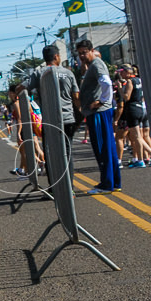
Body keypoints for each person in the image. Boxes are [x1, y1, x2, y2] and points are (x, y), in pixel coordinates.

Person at [17, 45, 81, 181]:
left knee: (50, 155)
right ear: (56, 56)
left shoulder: (39, 73)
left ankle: (53, 188)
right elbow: (76, 97)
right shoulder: (68, 73)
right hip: (68, 119)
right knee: (67, 154)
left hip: (50, 121)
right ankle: (70, 189)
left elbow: (21, 87)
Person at [76, 40, 120, 193]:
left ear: (92, 51)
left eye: (84, 52)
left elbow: (107, 83)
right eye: (79, 53)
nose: (82, 56)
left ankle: (107, 184)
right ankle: (114, 182)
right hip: (98, 112)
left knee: (102, 148)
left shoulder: (96, 64)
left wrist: (101, 102)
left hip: (99, 113)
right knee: (108, 148)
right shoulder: (91, 66)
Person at [119, 65, 151, 167]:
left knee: (137, 136)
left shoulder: (130, 81)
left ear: (128, 72)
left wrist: (120, 89)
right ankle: (144, 157)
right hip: (141, 108)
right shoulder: (139, 80)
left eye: (122, 72)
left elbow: (126, 97)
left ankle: (145, 157)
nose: (121, 74)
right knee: (139, 135)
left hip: (132, 109)